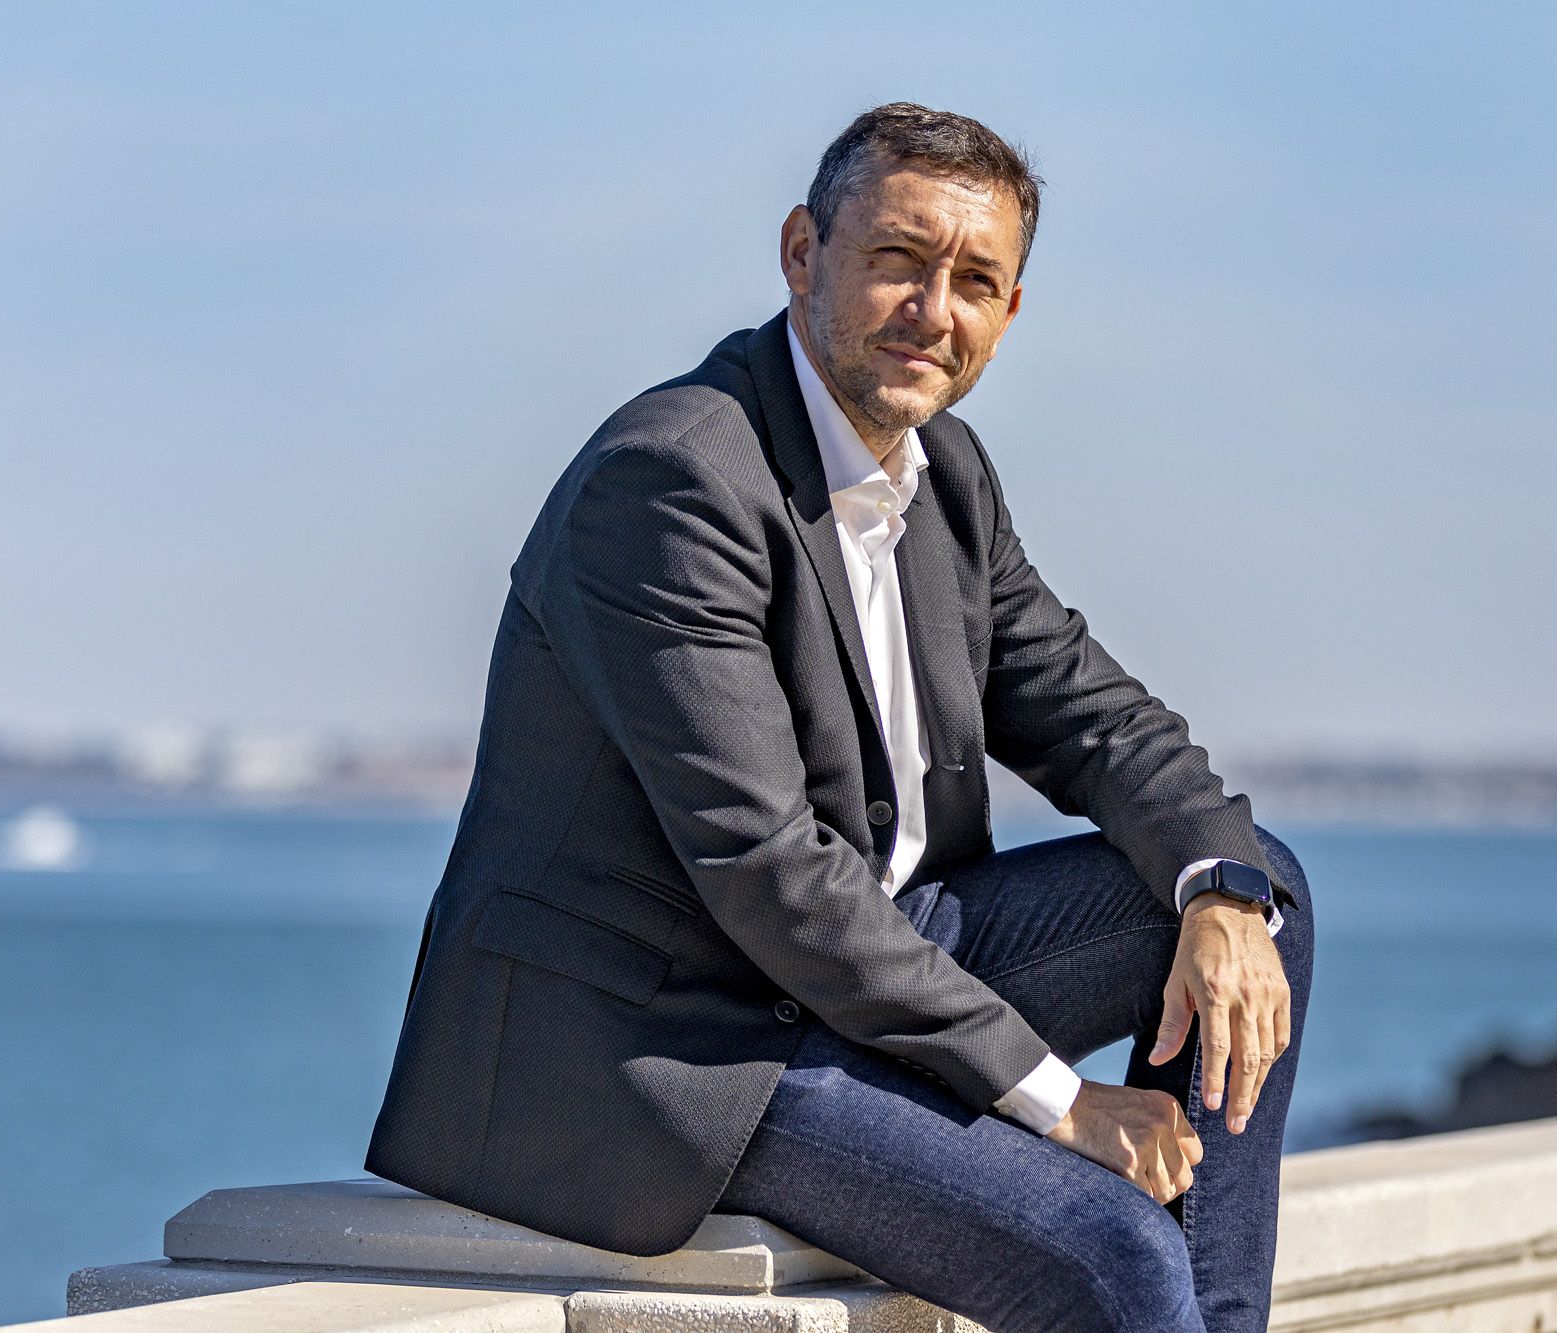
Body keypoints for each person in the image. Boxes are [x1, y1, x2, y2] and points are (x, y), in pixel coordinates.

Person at [364, 101, 1315, 1333]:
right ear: (801, 253)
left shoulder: (945, 478)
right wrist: (1060, 1104)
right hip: (679, 1040)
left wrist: (1219, 895)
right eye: (897, 260)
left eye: (974, 282)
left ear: (1009, 313)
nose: (933, 310)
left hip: (855, 974)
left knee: (1253, 896)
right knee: (1111, 1251)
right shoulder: (673, 480)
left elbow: (1100, 725)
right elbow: (768, 868)